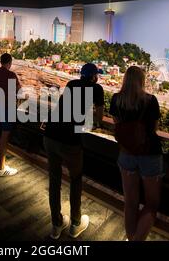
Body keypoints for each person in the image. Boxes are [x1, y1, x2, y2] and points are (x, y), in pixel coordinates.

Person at [43, 63, 104, 239]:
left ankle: (56, 224)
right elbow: (99, 118)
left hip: (50, 135)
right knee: (75, 179)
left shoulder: (71, 84)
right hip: (69, 141)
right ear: (94, 76)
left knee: (54, 180)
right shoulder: (97, 89)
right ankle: (75, 224)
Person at [109, 66, 164, 241]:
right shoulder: (150, 100)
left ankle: (131, 236)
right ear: (142, 81)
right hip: (150, 154)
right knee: (151, 204)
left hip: (126, 153)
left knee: (130, 203)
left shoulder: (116, 99)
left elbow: (117, 125)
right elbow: (154, 129)